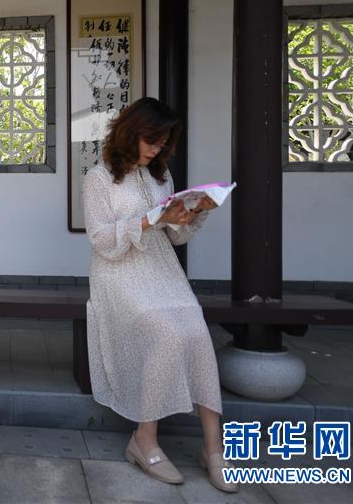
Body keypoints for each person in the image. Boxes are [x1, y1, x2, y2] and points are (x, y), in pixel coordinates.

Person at [82, 97, 237, 493]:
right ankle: (144, 438)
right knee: (166, 333)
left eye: (162, 142)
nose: (156, 149)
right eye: (151, 141)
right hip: (118, 274)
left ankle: (213, 449)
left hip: (162, 270)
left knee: (197, 332)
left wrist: (196, 210)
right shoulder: (99, 178)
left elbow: (176, 236)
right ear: (130, 133)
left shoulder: (160, 176)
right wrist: (152, 218)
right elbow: (101, 240)